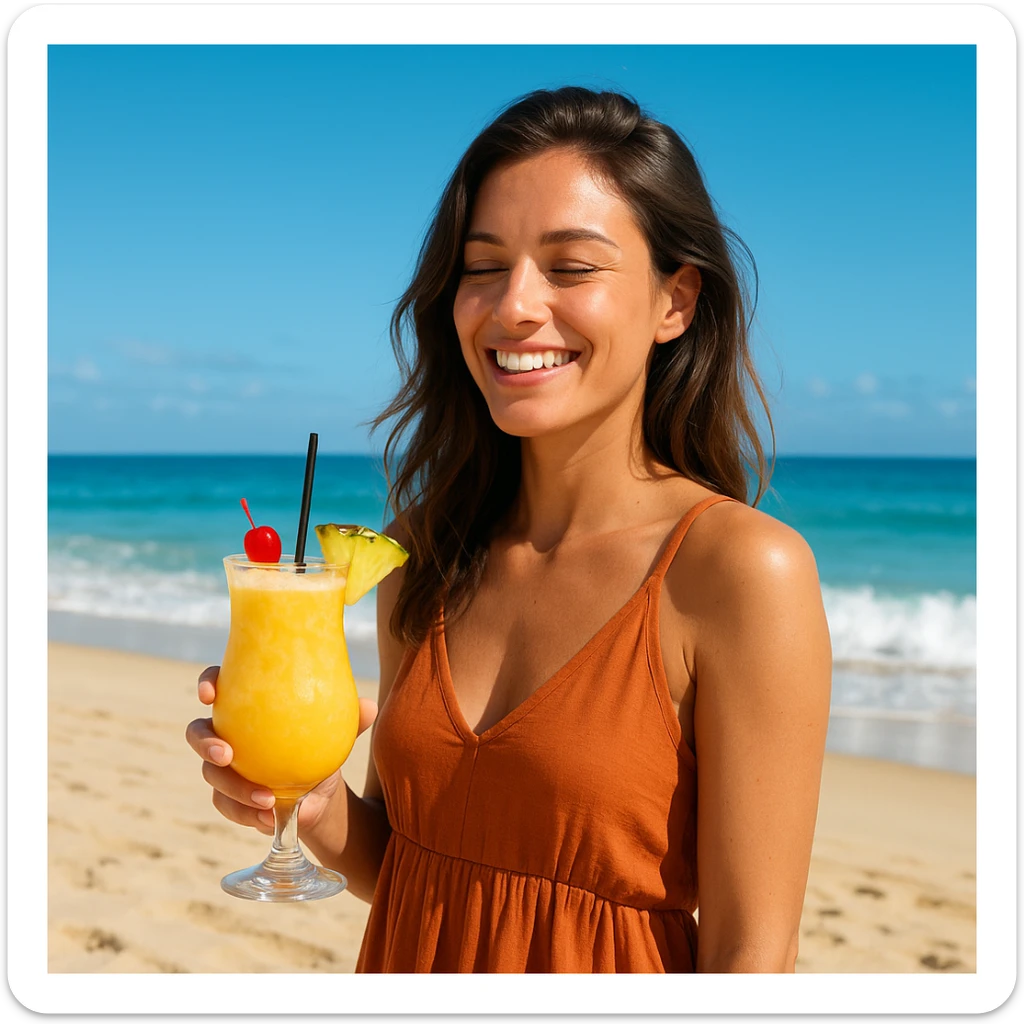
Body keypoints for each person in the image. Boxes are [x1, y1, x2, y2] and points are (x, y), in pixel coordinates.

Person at [186, 86, 832, 973]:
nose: (514, 305)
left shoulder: (739, 571)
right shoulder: (421, 553)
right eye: (483, 265)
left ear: (675, 302)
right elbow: (413, 866)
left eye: (571, 267)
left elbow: (754, 954)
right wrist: (312, 803)